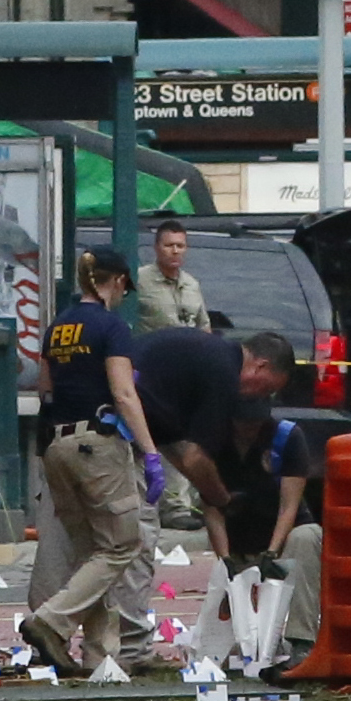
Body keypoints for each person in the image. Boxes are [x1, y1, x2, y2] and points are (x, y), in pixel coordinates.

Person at [23, 248, 164, 675]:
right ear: (117, 281)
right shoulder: (111, 326)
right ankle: (50, 621)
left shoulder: (57, 327)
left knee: (92, 555)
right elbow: (123, 394)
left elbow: (46, 390)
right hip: (97, 447)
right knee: (123, 544)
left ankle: (101, 658)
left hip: (57, 446)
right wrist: (151, 452)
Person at [130, 327, 296, 572]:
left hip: (103, 419)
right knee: (134, 545)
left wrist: (208, 487)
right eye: (266, 389)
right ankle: (71, 611)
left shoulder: (208, 356)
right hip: (114, 429)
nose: (260, 397)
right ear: (259, 366)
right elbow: (196, 459)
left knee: (104, 544)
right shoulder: (224, 373)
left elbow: (174, 445)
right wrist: (223, 499)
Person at [214, 398, 324, 669]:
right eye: (243, 424)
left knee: (307, 536)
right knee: (239, 632)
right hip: (239, 539)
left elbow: (290, 506)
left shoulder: (286, 438)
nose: (249, 430)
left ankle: (301, 641)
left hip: (283, 536)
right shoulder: (216, 442)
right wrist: (224, 559)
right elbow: (211, 509)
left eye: (255, 424)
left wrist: (272, 553)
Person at [136, 219, 212, 533]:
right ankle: (150, 503)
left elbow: (203, 326)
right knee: (149, 439)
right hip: (150, 373)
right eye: (169, 245)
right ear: (157, 248)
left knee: (183, 437)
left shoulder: (192, 284)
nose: (175, 251)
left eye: (181, 245)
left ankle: (177, 504)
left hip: (186, 376)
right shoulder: (139, 280)